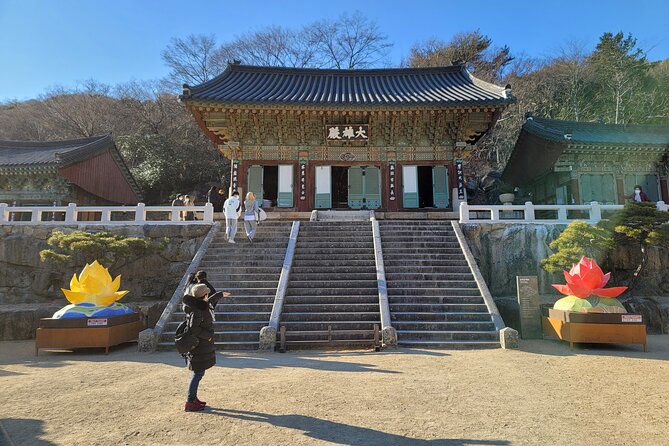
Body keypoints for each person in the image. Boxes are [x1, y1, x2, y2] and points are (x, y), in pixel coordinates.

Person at [182, 283, 216, 412]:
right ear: (204, 295)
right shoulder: (198, 310)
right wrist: (207, 336)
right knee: (198, 374)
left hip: (202, 345)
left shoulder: (200, 307)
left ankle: (193, 398)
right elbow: (194, 329)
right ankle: (190, 402)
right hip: (199, 346)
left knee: (199, 373)